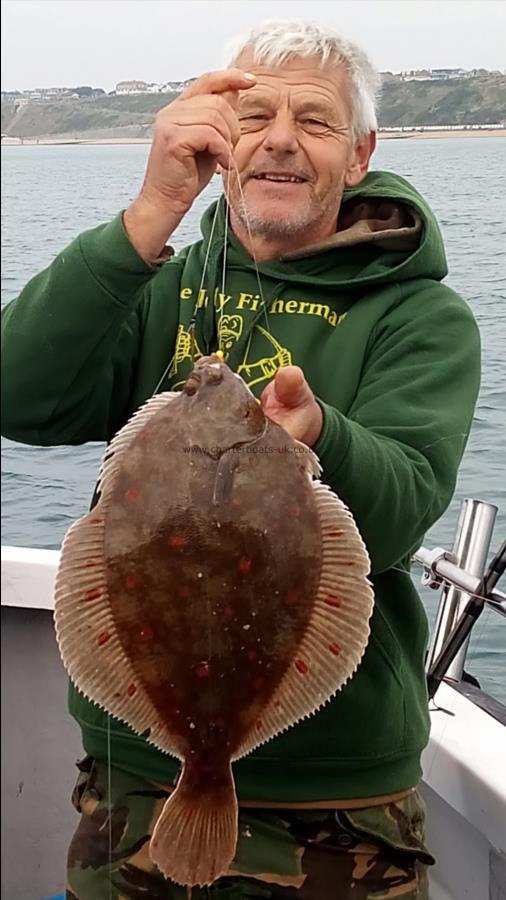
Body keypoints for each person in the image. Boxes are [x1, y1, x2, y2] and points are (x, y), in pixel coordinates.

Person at [1, 18, 480, 900]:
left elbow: (407, 504)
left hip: (338, 805)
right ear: (218, 140)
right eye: (253, 114)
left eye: (317, 120)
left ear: (363, 152)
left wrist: (324, 438)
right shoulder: (165, 282)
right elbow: (19, 394)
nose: (281, 140)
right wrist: (151, 213)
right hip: (135, 789)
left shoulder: (423, 317)